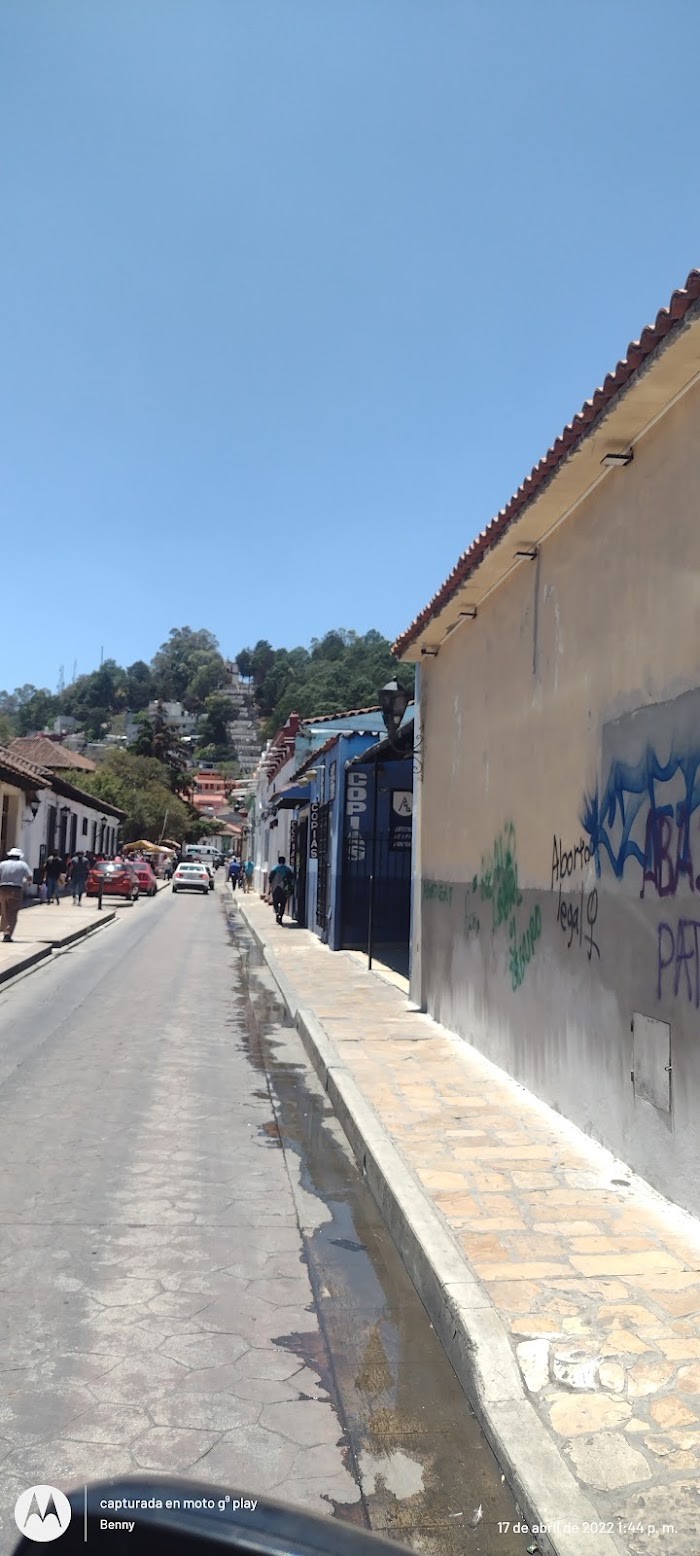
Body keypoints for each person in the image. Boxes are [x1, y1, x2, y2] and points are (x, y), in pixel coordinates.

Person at [0, 847, 32, 942]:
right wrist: (25, 882)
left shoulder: (2, 864)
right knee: (12, 912)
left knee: (4, 911)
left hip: (2, 889)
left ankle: (4, 929)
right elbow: (29, 877)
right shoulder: (22, 865)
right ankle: (8, 933)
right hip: (15, 889)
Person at [269, 854, 294, 925]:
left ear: (278, 861)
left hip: (275, 888)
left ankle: (277, 911)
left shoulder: (274, 869)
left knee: (275, 902)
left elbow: (270, 879)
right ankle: (281, 915)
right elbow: (291, 877)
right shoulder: (287, 869)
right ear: (284, 861)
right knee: (283, 903)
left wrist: (271, 886)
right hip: (284, 888)